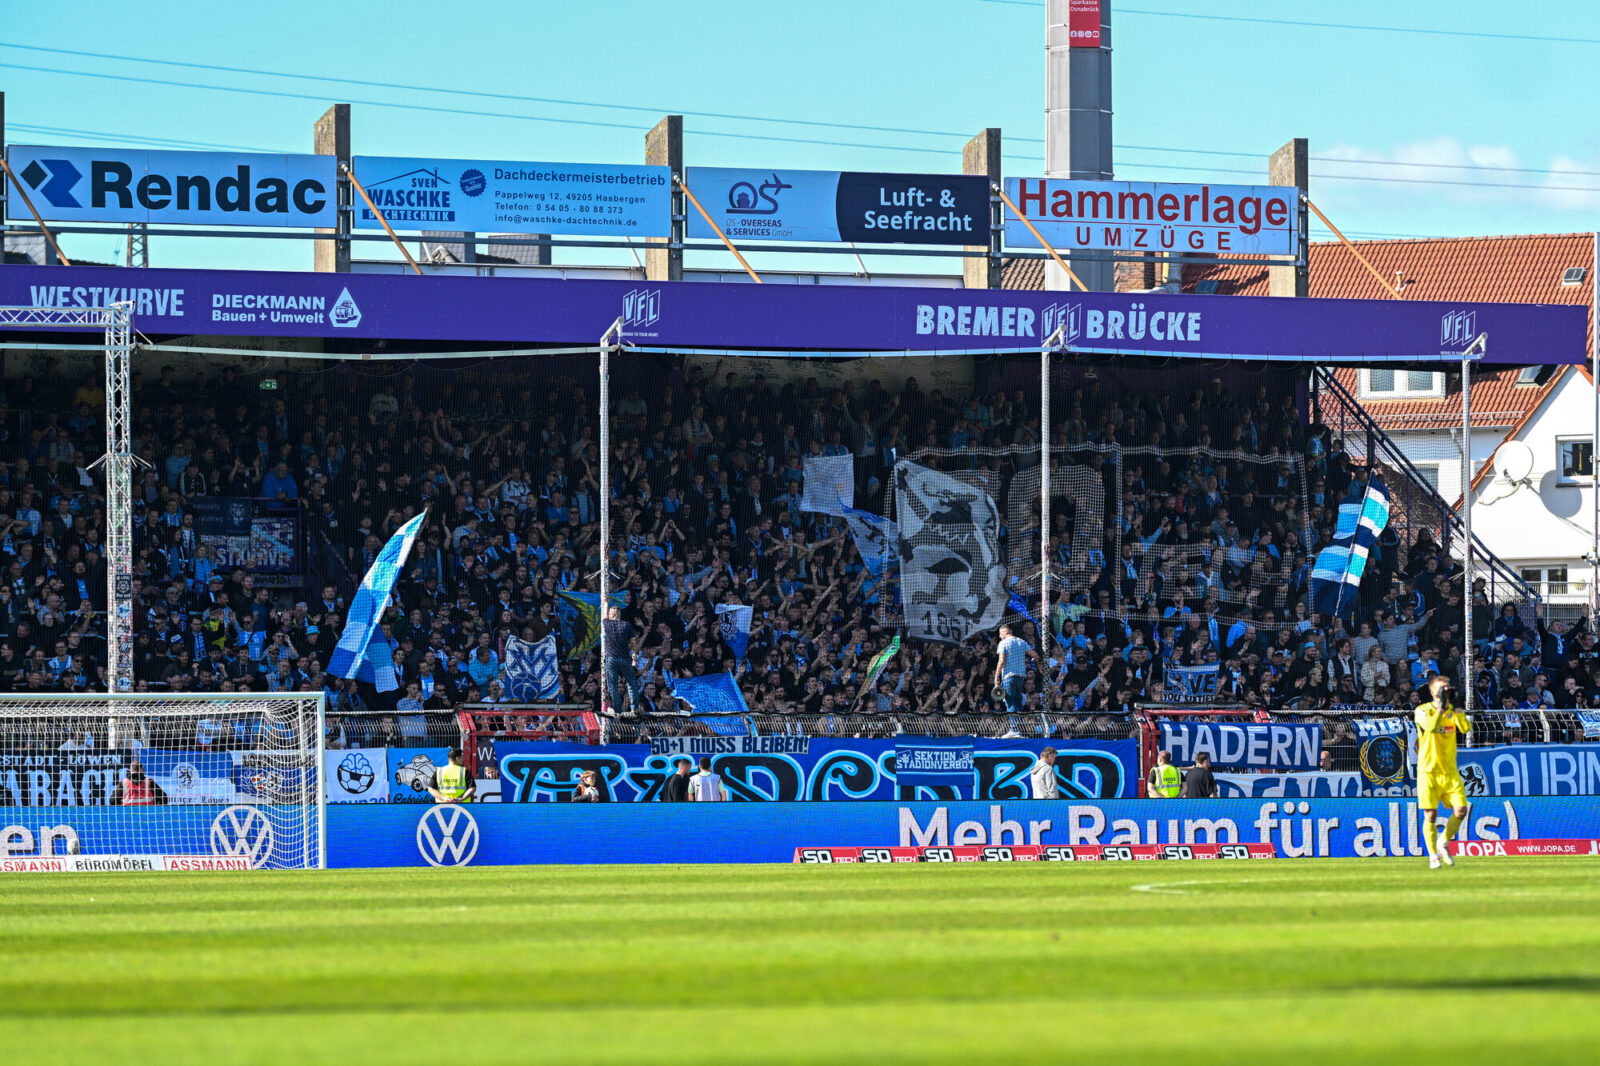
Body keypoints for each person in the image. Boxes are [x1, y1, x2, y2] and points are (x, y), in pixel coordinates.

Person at [1414, 673, 1471, 869]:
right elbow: (1429, 727)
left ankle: (1443, 840)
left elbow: (1465, 728)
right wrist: (1439, 708)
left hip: (1449, 771)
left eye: (1446, 687)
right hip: (1428, 771)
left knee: (1461, 810)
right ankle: (1432, 856)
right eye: (1440, 688)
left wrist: (1457, 709)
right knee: (1430, 814)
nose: (1444, 691)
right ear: (1431, 691)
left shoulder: (1452, 711)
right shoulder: (1422, 710)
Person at [602, 606, 641, 715]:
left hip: (611, 658)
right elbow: (634, 642)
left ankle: (618, 710)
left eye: (610, 613)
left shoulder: (607, 624)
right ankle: (634, 707)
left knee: (613, 685)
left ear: (612, 614)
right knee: (631, 682)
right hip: (625, 658)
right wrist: (635, 653)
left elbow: (604, 615)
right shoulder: (627, 625)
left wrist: (605, 602)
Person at [992, 624, 1037, 714]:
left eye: (1000, 634)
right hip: (1020, 677)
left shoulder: (1003, 643)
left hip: (1009, 677)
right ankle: (1018, 725)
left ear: (1005, 632)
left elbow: (1001, 661)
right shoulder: (1021, 642)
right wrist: (1033, 658)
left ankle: (1013, 727)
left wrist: (996, 677)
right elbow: (1035, 655)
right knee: (1018, 702)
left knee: (1010, 703)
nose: (1000, 637)